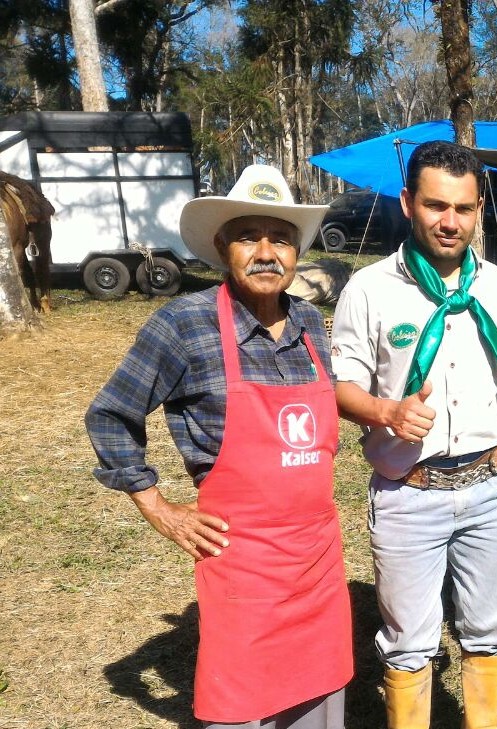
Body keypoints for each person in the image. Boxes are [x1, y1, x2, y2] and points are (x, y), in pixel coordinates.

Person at [85, 164, 352, 728]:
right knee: (239, 705)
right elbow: (111, 415)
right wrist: (158, 509)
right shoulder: (182, 323)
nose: (265, 251)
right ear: (222, 246)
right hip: (243, 565)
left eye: (280, 238)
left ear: (296, 251)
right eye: (248, 236)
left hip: (317, 560)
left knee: (319, 702)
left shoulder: (309, 321)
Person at [330, 141, 497, 729]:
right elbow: (339, 386)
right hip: (410, 493)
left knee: (491, 633)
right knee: (409, 642)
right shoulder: (369, 289)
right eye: (435, 205)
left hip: (493, 486)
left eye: (464, 208)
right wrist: (386, 412)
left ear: (479, 210)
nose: (450, 222)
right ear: (407, 203)